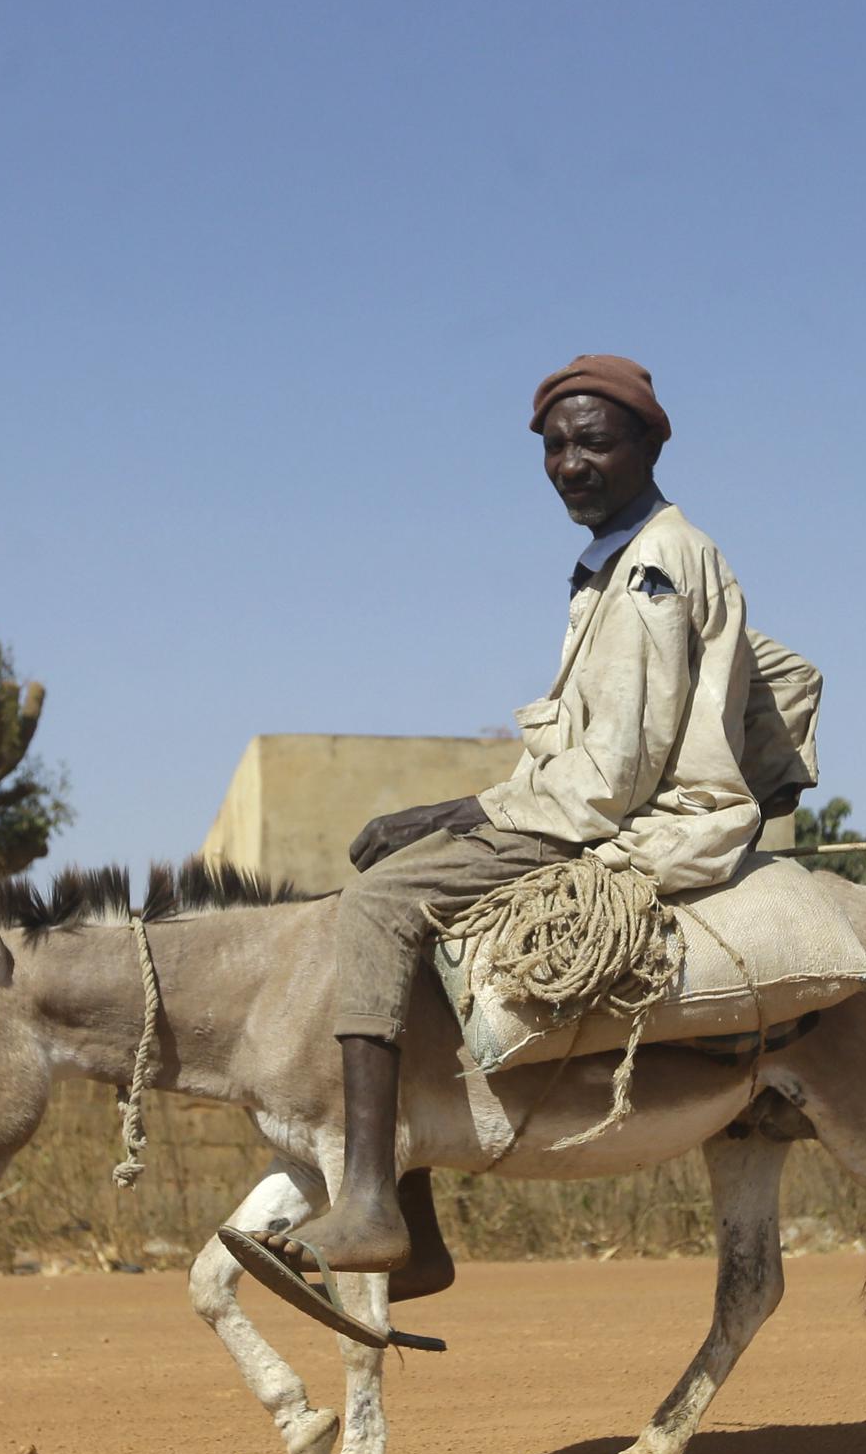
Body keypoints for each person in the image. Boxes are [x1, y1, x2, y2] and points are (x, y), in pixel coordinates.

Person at [258, 355, 767, 1295]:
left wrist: (454, 809)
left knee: (374, 905)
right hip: (593, 807)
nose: (571, 464)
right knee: (403, 882)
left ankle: (372, 1197)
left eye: (595, 443)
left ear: (652, 443)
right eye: (556, 446)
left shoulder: (654, 565)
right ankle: (412, 1221)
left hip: (635, 822)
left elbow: (612, 776)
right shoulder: (608, 566)